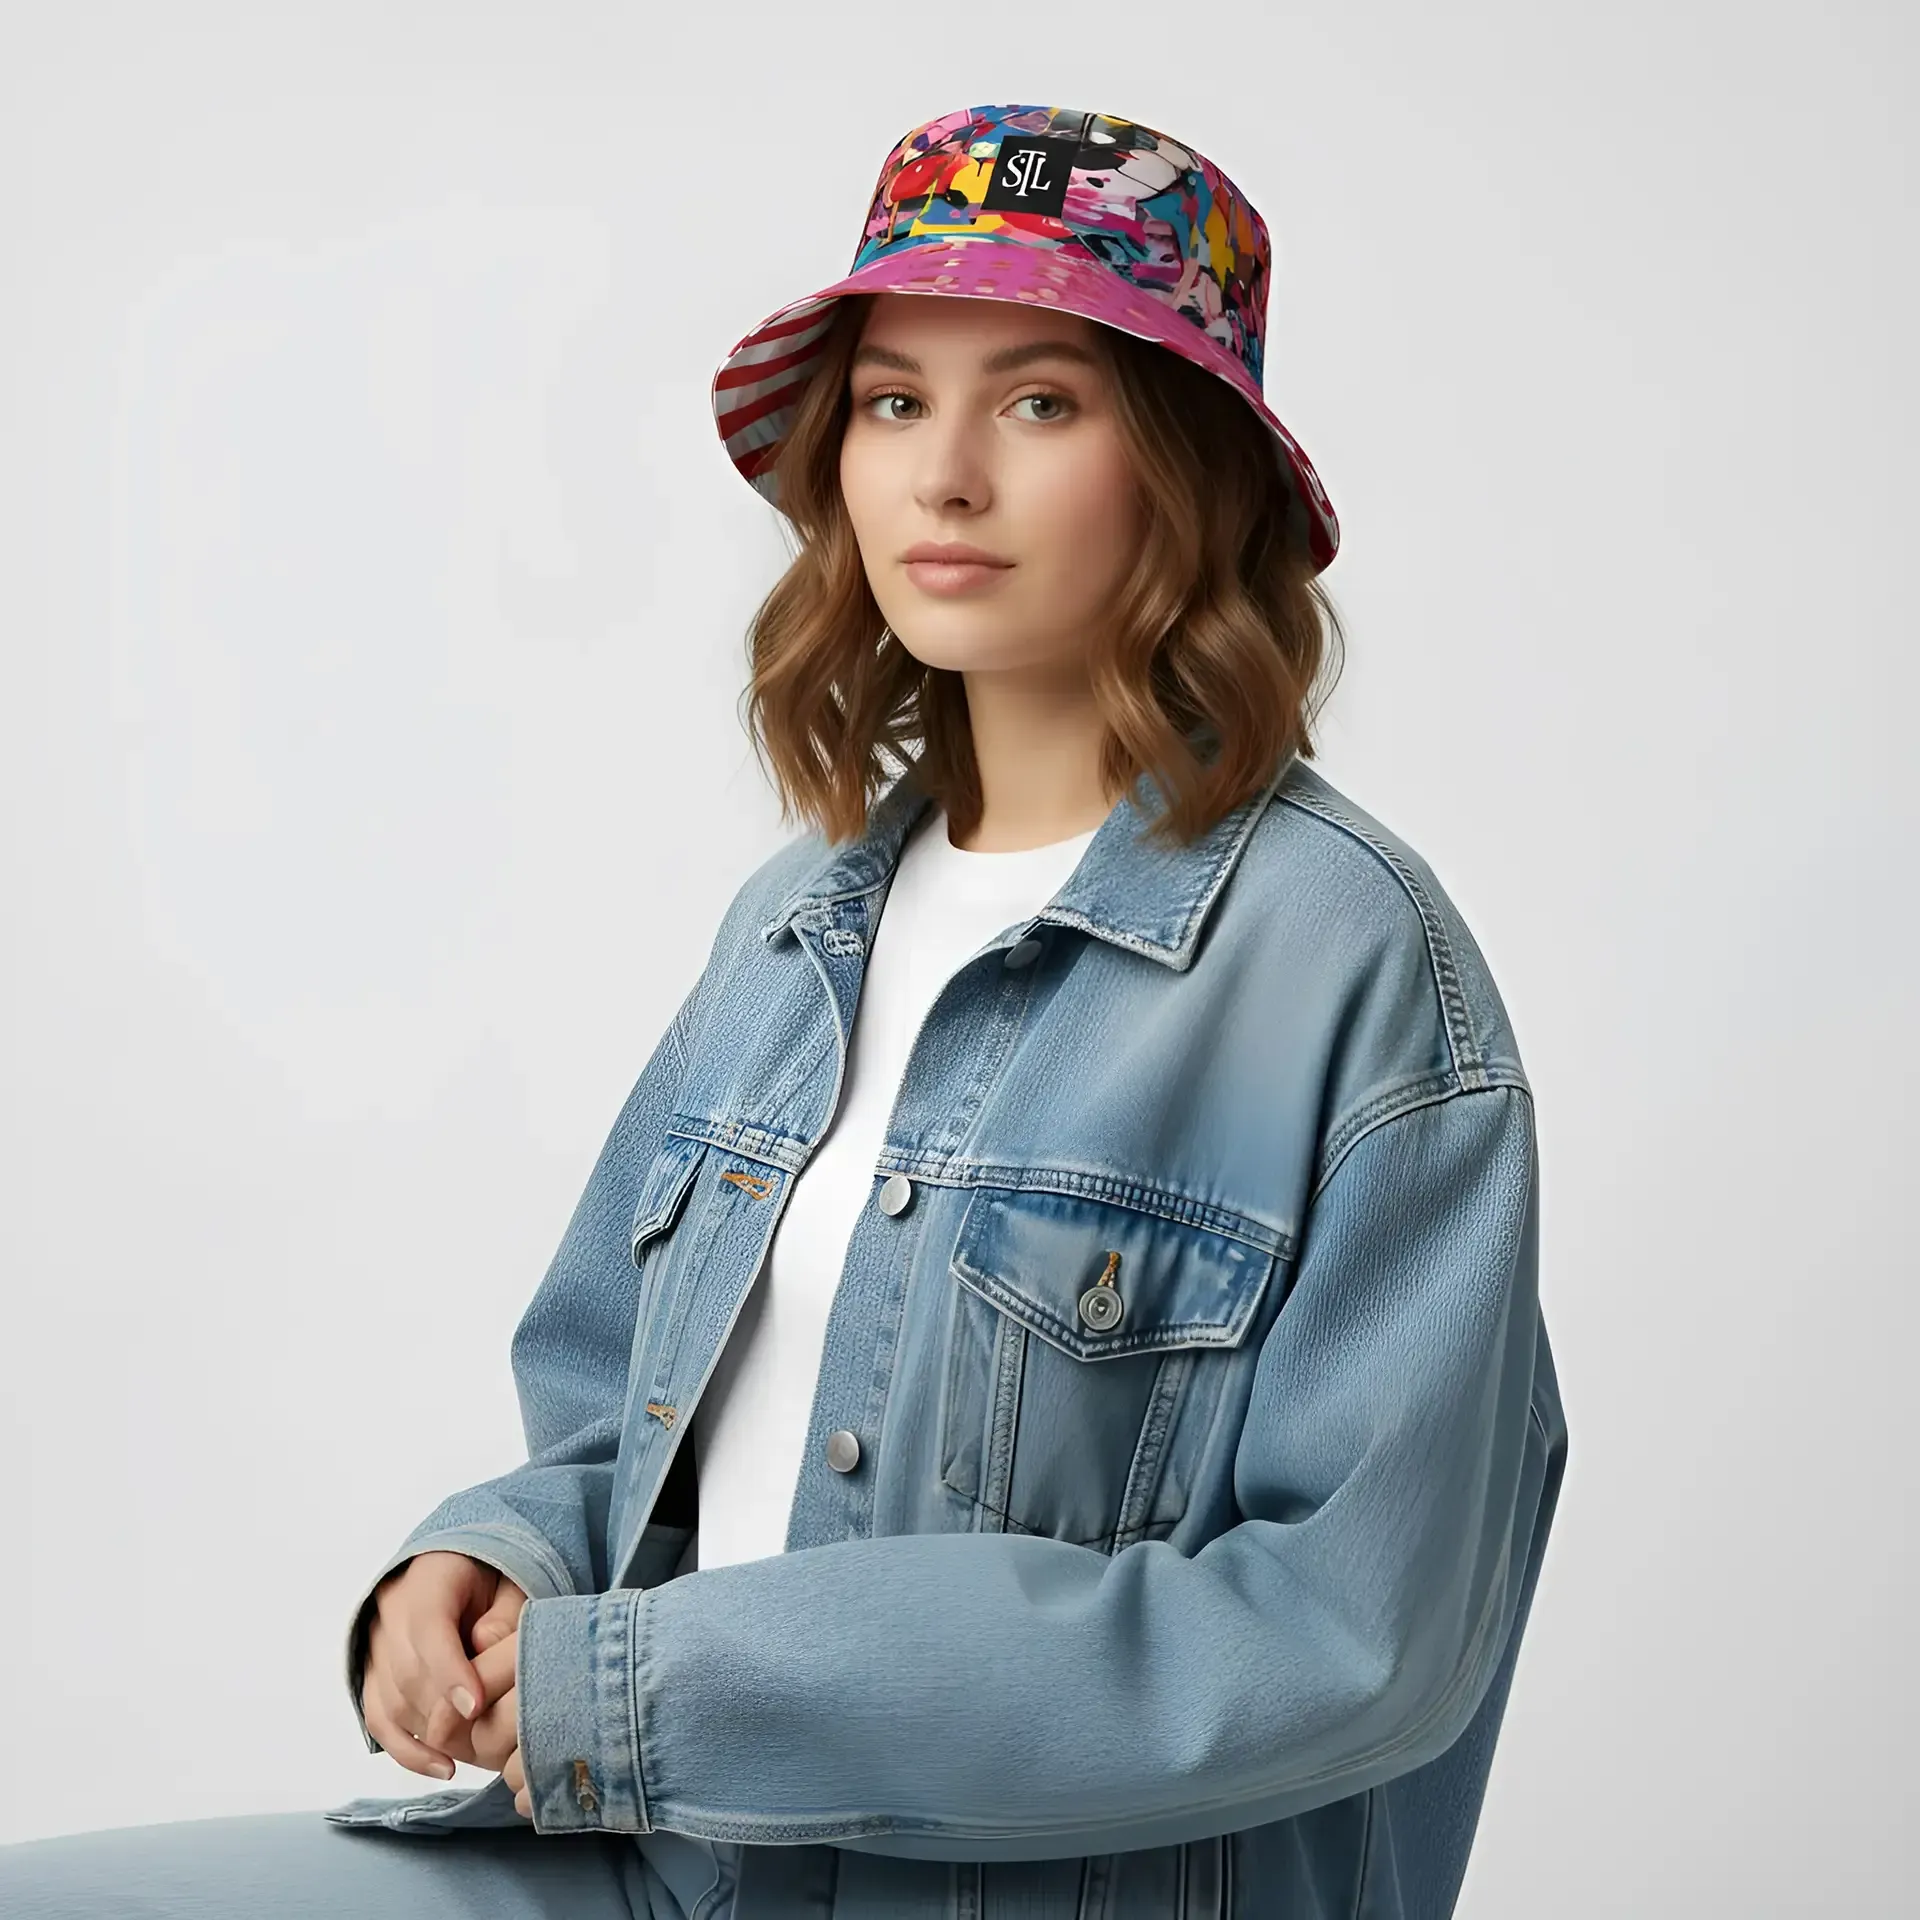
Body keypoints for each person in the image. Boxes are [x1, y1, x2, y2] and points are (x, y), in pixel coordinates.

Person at [0, 101, 1569, 1919]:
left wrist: (672, 1691)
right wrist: (492, 1564)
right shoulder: (794, 930)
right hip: (668, 1864)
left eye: (1043, 402)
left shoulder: (1357, 972)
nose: (944, 475)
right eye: (895, 401)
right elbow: (624, 1413)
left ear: (1189, 470)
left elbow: (1349, 1635)